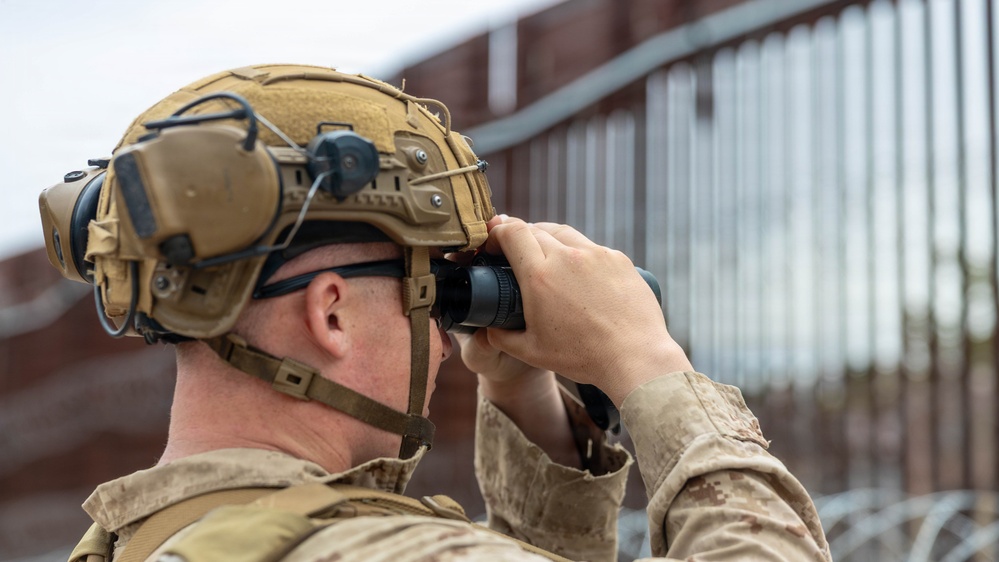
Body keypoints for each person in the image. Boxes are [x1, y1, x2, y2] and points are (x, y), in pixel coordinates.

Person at [40, 64, 831, 561]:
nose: (445, 345)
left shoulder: (132, 540)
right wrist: (649, 365)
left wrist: (526, 403)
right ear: (332, 314)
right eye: (430, 292)